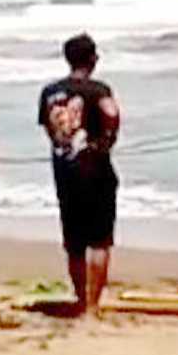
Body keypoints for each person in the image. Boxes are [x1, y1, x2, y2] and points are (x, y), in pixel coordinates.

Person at [39, 34, 121, 318]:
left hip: (65, 173)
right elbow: (112, 113)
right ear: (92, 59)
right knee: (100, 240)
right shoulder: (98, 89)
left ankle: (78, 297)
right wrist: (108, 140)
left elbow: (49, 131)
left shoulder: (49, 92)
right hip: (96, 171)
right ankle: (93, 304)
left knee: (74, 242)